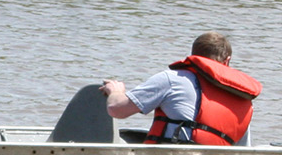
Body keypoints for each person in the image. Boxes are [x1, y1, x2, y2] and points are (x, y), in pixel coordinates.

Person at [100, 31, 261, 145]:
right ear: (227, 61)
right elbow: (241, 154)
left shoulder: (172, 79)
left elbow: (117, 109)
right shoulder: (244, 101)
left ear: (193, 56)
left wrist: (116, 91)